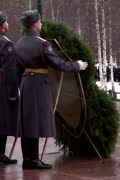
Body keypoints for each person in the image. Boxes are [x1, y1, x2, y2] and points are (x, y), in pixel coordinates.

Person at [15, 10, 88, 169]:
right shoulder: (42, 43)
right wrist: (77, 65)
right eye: (39, 21)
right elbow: (58, 64)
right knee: (34, 122)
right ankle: (33, 159)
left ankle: (28, 158)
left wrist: (20, 85)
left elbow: (17, 68)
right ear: (35, 24)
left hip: (26, 83)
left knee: (27, 122)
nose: (41, 24)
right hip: (38, 85)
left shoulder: (19, 43)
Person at [0, 12, 19, 164]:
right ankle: (0, 153)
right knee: (4, 121)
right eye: (6, 21)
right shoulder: (6, 43)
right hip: (3, 87)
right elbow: (10, 70)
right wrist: (13, 92)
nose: (8, 24)